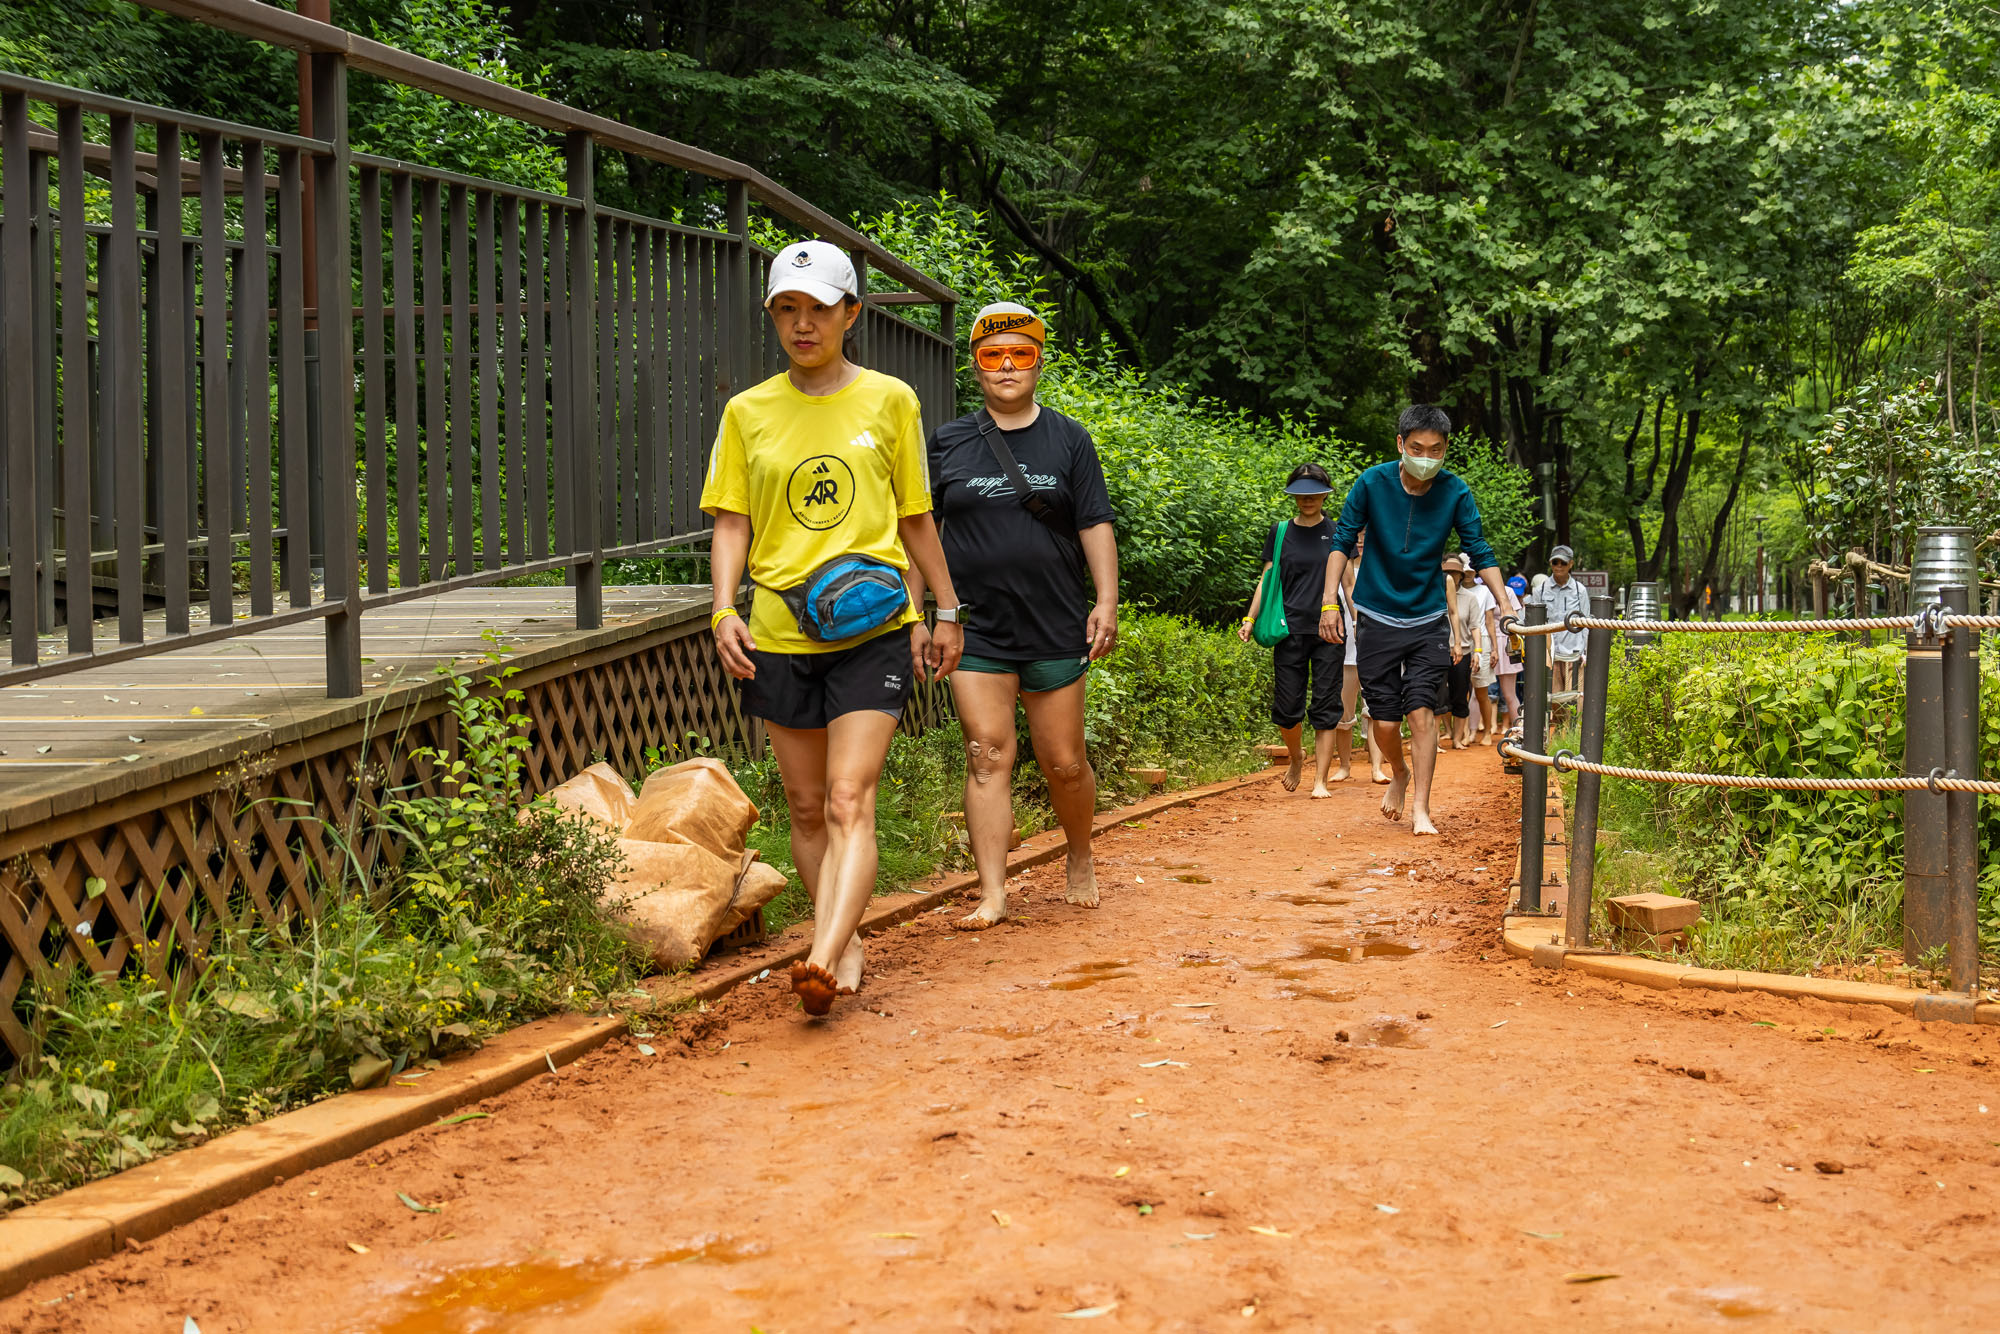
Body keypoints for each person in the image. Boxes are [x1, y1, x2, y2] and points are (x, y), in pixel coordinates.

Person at [703, 239, 964, 1017]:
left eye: (818, 308)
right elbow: (730, 523)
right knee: (807, 804)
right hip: (780, 633)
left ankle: (817, 955)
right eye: (787, 309)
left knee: (851, 798)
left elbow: (916, 517)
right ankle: (840, 938)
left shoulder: (891, 400)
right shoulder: (748, 412)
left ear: (852, 312)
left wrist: (944, 609)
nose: (802, 323)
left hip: (873, 628)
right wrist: (723, 609)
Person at [914, 301, 1119, 931]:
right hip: (972, 627)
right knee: (986, 754)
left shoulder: (1069, 438)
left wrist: (1106, 601)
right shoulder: (948, 441)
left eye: (1020, 355)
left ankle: (1079, 854)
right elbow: (920, 529)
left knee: (1063, 760)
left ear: (1038, 362)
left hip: (1054, 620)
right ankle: (993, 893)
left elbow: (1094, 521)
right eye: (992, 356)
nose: (1006, 367)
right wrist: (914, 614)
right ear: (975, 366)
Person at [1317, 404, 1510, 836]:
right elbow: (1343, 540)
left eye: (1436, 450)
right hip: (1376, 615)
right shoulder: (1371, 483)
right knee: (1384, 721)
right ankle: (1399, 773)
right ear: (1401, 444)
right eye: (1418, 447)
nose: (1427, 457)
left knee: (1422, 713)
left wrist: (1506, 604)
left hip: (1427, 619)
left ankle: (1422, 808)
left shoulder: (1455, 492)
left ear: (1445, 451)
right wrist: (1330, 600)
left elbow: (1480, 549)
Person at [1240, 463, 1345, 797]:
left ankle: (1321, 781)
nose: (1307, 500)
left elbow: (1349, 580)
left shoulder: (1338, 531)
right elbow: (1267, 579)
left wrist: (1360, 620)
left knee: (1327, 706)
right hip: (1289, 629)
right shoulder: (1280, 531)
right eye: (1300, 494)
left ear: (1325, 494)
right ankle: (1297, 758)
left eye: (1313, 493)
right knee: (1287, 711)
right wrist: (1250, 618)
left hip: (1329, 629)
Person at [1337, 530, 1389, 783]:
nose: (1360, 539)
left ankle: (1376, 767)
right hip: (1344, 650)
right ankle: (1344, 766)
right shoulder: (1338, 569)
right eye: (1356, 534)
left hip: (1376, 649)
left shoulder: (1381, 570)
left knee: (1376, 710)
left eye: (1366, 534)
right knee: (1344, 713)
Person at [1440, 555, 1482, 748]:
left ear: (1461, 575)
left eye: (1455, 573)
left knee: (1459, 695)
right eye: (1447, 572)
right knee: (1438, 696)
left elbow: (1475, 626)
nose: (1451, 576)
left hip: (1462, 652)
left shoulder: (1470, 598)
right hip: (1438, 650)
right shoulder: (1434, 594)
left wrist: (1478, 651)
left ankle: (1457, 739)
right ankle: (1440, 736)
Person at [1541, 545, 1589, 695]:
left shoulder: (1579, 590)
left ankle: (1575, 720)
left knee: (1575, 697)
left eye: (1563, 563)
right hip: (1550, 653)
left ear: (1571, 564)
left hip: (1574, 652)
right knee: (1553, 699)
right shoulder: (1541, 589)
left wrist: (1585, 651)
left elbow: (1586, 621)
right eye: (1555, 562)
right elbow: (1534, 623)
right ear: (1550, 564)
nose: (1559, 566)